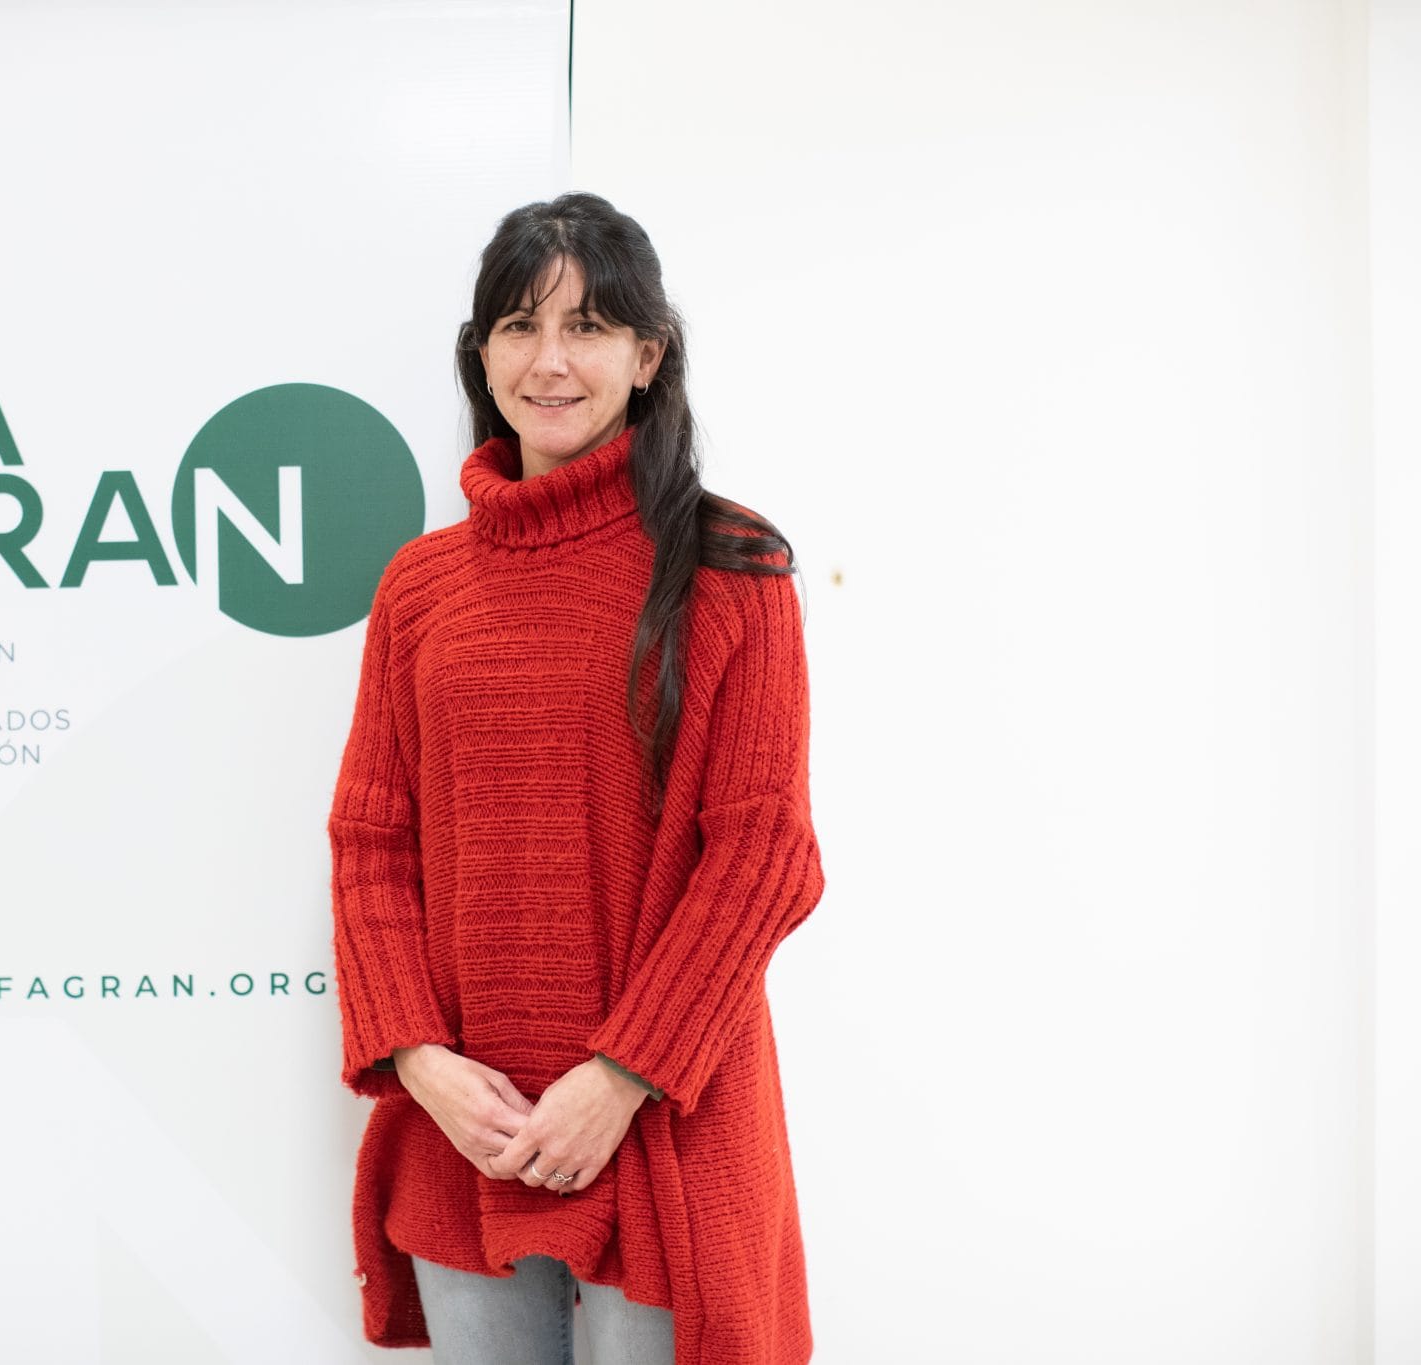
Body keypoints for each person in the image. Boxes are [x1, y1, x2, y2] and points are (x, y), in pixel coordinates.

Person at [327, 191, 827, 1365]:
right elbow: (370, 843)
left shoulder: (727, 566)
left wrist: (620, 1076)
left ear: (647, 356)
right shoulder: (419, 588)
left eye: (588, 326)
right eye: (518, 326)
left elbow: (762, 856)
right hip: (468, 1132)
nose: (548, 361)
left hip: (660, 1122)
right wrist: (418, 1061)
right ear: (481, 353)